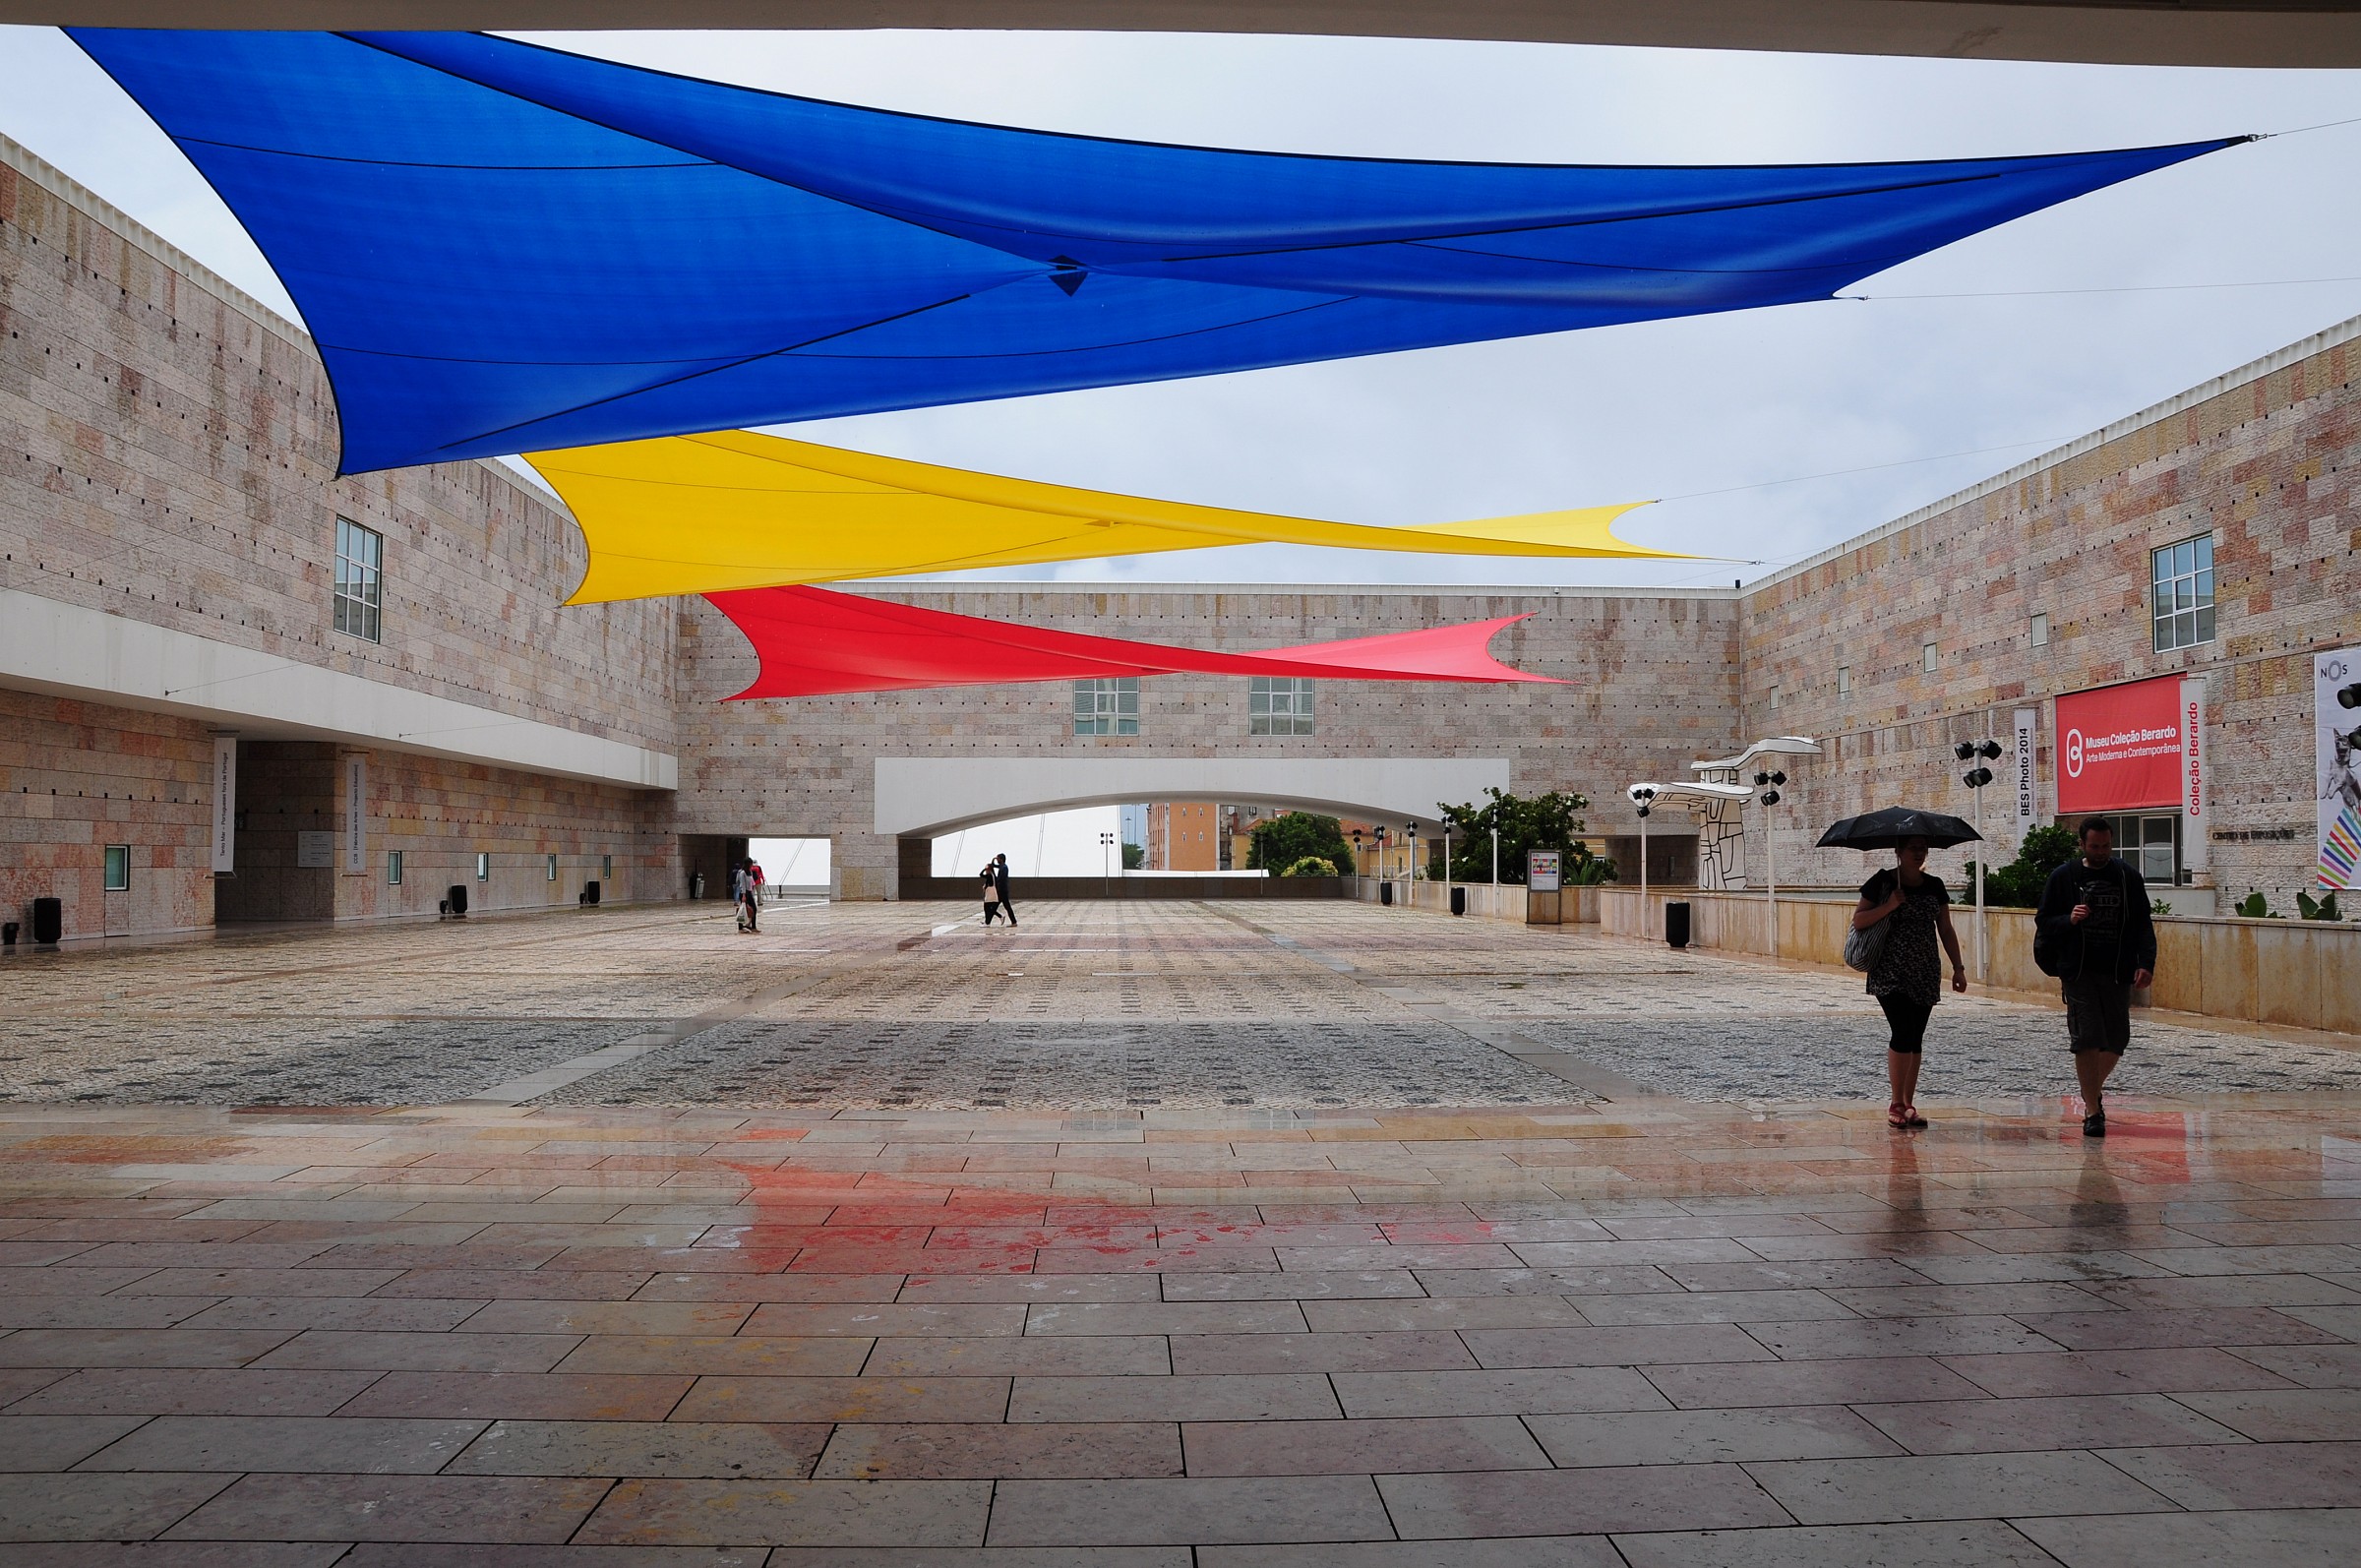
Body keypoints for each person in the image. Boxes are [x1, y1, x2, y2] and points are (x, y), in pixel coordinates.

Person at [2034, 816, 2156, 1137]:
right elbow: (2044, 921)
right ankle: (2092, 1111)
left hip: (2117, 970)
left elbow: (2143, 922)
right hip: (2079, 970)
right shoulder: (2065, 877)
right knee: (2087, 1038)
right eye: (2094, 846)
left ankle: (2090, 1090)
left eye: (2106, 846)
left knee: (2117, 1039)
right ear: (2082, 845)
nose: (2101, 852)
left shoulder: (2127, 876)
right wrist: (2069, 919)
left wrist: (2147, 962)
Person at [1850, 835, 1967, 1129]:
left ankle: (1909, 1103)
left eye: (1922, 848)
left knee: (1915, 1037)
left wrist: (1958, 967)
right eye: (1912, 848)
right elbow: (1859, 921)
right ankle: (1896, 1102)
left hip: (1925, 969)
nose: (1918, 853)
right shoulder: (1882, 882)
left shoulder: (1935, 886)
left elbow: (1946, 928)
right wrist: (1889, 905)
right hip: (1890, 970)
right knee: (1902, 1032)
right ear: (1898, 851)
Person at [993, 853, 1016, 929]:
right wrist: (993, 860)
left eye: (998, 859)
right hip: (1001, 890)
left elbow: (1002, 878)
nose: (997, 860)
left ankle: (1013, 922)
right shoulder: (1001, 866)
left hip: (1002, 891)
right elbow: (993, 865)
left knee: (1003, 907)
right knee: (995, 907)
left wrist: (996, 881)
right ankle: (987, 921)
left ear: (1001, 859)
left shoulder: (1004, 867)